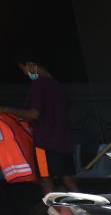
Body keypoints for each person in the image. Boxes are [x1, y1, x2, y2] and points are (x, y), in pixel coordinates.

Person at [0, 58, 79, 195]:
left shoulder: (39, 85)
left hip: (45, 143)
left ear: (31, 65)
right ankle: (87, 208)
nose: (25, 73)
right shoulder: (58, 86)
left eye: (23, 69)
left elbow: (33, 115)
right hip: (63, 141)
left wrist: (6, 109)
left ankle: (52, 212)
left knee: (45, 179)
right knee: (68, 179)